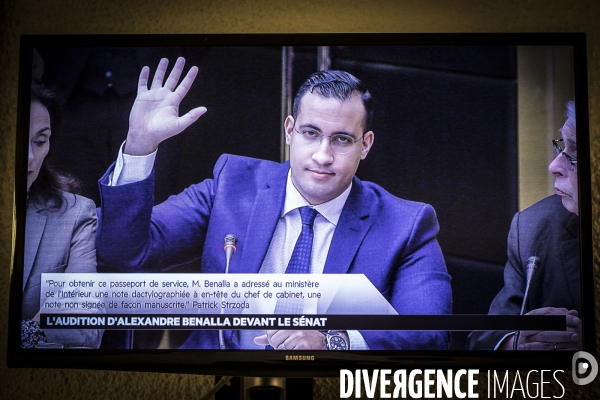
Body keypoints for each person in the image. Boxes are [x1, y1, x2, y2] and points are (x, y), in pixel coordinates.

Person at [96, 58, 451, 350]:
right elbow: (125, 252)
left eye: (342, 139)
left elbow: (430, 332)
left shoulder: (407, 223)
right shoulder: (232, 184)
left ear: (366, 144)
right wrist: (139, 147)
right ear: (289, 130)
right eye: (311, 134)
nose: (323, 155)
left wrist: (334, 341)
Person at [468, 100, 581, 351]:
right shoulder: (534, 227)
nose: (554, 167)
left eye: (575, 155)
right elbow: (484, 339)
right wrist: (517, 344)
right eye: (562, 147)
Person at [21, 81, 103, 349]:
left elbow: (83, 327)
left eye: (40, 141)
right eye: (18, 140)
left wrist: (21, 337)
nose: (30, 157)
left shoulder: (75, 214)